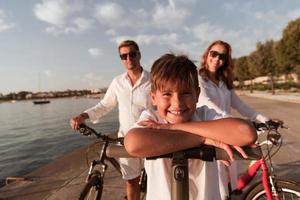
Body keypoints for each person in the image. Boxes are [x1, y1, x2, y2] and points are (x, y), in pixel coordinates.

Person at [124, 53, 257, 200]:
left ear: (197, 94)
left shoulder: (205, 115)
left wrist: (172, 128)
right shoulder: (152, 118)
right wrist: (202, 138)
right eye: (167, 94)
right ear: (154, 97)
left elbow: (246, 133)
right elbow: (133, 143)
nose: (177, 103)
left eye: (186, 93)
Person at [197, 40, 282, 194]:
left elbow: (241, 105)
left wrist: (265, 120)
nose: (217, 59)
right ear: (207, 54)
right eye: (214, 54)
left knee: (230, 180)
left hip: (229, 133)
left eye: (222, 56)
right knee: (217, 185)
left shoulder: (223, 82)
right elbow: (208, 105)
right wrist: (238, 124)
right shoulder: (199, 79)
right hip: (211, 136)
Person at [70, 40, 152, 200]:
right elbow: (104, 105)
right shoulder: (118, 82)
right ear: (121, 59)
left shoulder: (152, 80)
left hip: (150, 139)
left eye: (132, 54)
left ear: (139, 55)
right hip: (126, 140)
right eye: (124, 56)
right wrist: (83, 116)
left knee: (155, 182)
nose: (128, 58)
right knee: (131, 181)